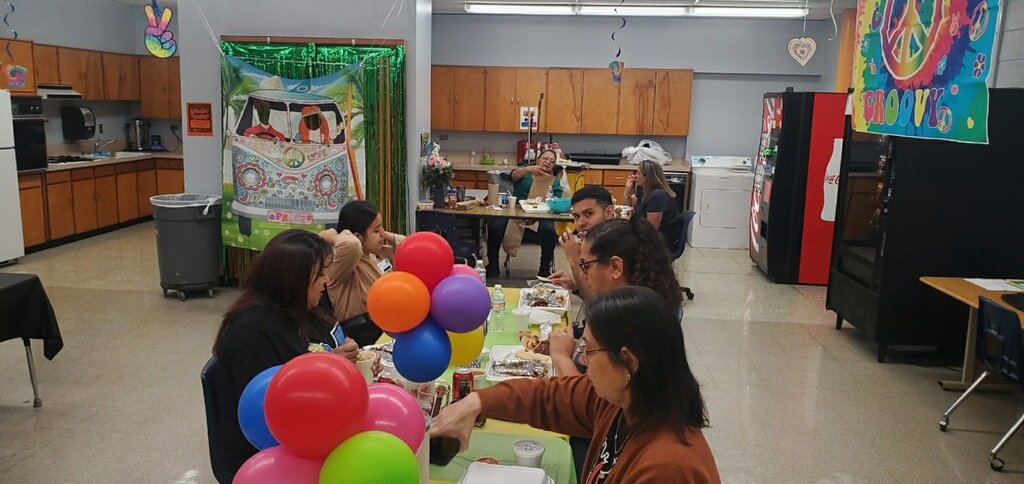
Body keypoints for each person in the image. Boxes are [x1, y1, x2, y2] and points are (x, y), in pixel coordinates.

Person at [430, 286, 719, 484]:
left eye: (589, 351)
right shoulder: (624, 402)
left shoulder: (668, 468)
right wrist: (476, 403)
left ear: (629, 362)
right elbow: (548, 397)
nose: (581, 359)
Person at [210, 230, 361, 482]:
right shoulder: (252, 330)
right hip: (272, 453)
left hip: (314, 426)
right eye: (320, 274)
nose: (326, 281)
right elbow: (270, 411)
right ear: (294, 278)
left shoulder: (305, 307)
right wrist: (327, 368)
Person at [549, 217, 684, 377]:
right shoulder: (646, 302)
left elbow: (589, 397)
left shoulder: (629, 322)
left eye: (586, 265)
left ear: (615, 267)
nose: (583, 276)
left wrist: (560, 356)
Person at [318, 200, 404, 347]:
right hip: (360, 333)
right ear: (358, 236)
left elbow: (410, 247)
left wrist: (386, 235)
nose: (382, 234)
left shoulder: (378, 252)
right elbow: (351, 245)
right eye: (376, 231)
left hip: (385, 327)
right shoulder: (345, 261)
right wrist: (334, 235)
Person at [486, 149, 563, 278]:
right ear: (538, 159)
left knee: (549, 231)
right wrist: (529, 169)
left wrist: (551, 198)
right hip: (516, 212)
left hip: (540, 214)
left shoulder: (554, 181)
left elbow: (557, 201)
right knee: (496, 227)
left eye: (552, 161)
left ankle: (544, 269)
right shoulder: (525, 172)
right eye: (545, 158)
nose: (548, 162)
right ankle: (493, 265)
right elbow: (513, 176)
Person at [549, 185, 616, 301]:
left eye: (588, 214)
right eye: (576, 216)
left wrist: (574, 260)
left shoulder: (617, 245)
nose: (581, 223)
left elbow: (598, 304)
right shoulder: (597, 242)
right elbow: (593, 293)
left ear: (609, 213)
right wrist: (575, 286)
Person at [625, 159, 682, 249]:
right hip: (649, 234)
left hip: (660, 240)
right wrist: (628, 189)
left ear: (647, 177)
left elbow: (651, 228)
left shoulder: (657, 196)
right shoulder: (644, 190)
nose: (635, 176)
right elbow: (629, 204)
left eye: (638, 173)